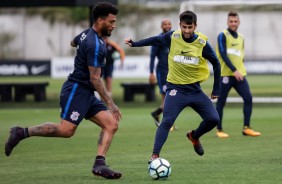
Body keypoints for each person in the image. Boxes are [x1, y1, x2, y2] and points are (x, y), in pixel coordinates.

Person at [5, 2, 122, 179]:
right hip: (76, 90)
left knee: (111, 124)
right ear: (100, 20)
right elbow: (95, 79)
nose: (114, 25)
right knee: (66, 131)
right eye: (111, 21)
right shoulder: (95, 44)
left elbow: (72, 42)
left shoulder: (87, 34)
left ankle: (100, 164)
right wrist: (111, 103)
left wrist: (82, 49)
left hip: (86, 93)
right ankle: (21, 132)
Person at [125, 10, 221, 161]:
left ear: (195, 26)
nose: (187, 31)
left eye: (190, 27)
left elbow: (216, 62)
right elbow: (156, 40)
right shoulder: (173, 37)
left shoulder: (202, 43)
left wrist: (217, 88)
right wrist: (135, 43)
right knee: (167, 120)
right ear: (179, 25)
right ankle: (155, 155)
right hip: (175, 89)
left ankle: (194, 136)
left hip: (195, 90)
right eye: (184, 27)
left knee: (214, 119)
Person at [215, 11, 261, 138]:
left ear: (239, 22)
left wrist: (239, 70)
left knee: (248, 98)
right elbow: (223, 54)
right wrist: (234, 70)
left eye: (235, 21)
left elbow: (241, 55)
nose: (233, 23)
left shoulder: (241, 37)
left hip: (240, 75)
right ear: (227, 22)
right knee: (221, 102)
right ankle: (219, 130)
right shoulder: (222, 35)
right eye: (231, 21)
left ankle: (246, 128)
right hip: (226, 74)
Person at [149, 19, 176, 131]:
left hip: (173, 72)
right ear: (161, 26)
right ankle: (166, 124)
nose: (167, 26)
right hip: (162, 72)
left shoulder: (175, 37)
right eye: (165, 24)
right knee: (167, 98)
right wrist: (151, 73)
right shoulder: (158, 39)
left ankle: (156, 113)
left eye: (169, 24)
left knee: (172, 97)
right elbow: (152, 57)